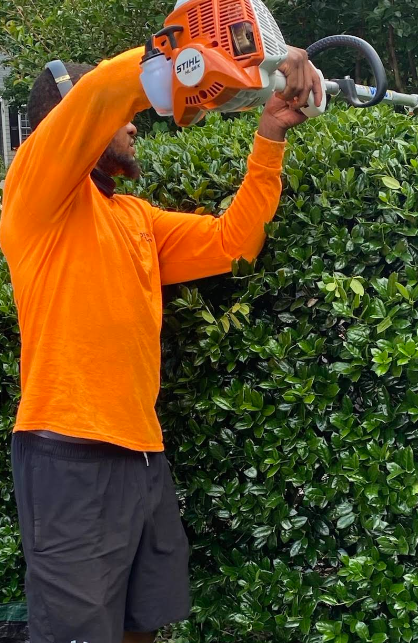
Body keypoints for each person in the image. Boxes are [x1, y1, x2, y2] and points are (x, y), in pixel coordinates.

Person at [0, 43, 321, 642]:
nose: (132, 125)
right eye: (122, 118)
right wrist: (186, 46)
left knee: (144, 625)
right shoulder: (33, 196)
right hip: (68, 453)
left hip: (143, 454)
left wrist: (271, 134)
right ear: (73, 125)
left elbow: (232, 243)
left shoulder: (136, 219)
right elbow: (101, 96)